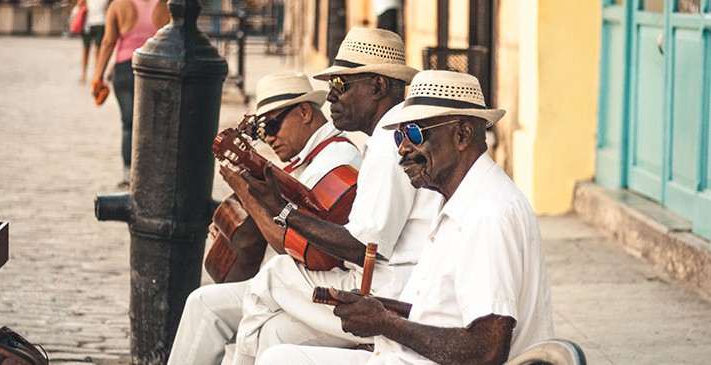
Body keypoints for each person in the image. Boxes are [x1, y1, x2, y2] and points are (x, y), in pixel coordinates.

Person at [256, 70, 555, 365]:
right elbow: (443, 312)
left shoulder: (487, 214)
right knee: (278, 352)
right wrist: (377, 311)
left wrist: (385, 323)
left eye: (415, 133)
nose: (402, 148)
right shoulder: (460, 200)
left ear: (462, 134)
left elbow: (487, 349)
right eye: (400, 135)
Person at [231, 27, 443, 365]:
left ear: (378, 86)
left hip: (390, 294)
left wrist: (284, 211)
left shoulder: (393, 145)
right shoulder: (386, 138)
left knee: (271, 278)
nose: (331, 97)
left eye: (341, 85)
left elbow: (363, 247)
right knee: (274, 333)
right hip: (386, 281)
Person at [166, 72, 363, 365]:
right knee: (202, 303)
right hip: (293, 281)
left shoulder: (336, 161)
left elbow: (291, 244)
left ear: (305, 112)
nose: (268, 138)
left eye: (272, 125)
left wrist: (244, 190)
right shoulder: (303, 160)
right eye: (261, 132)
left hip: (321, 284)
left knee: (210, 309)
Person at [91, 0, 169, 188]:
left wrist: (98, 76)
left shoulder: (118, 5)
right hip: (155, 67)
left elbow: (109, 41)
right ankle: (152, 172)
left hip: (125, 68)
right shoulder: (164, 5)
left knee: (128, 124)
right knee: (155, 123)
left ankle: (128, 174)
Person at [77, 0, 107, 83]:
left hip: (100, 22)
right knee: (86, 50)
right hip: (87, 24)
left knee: (97, 51)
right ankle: (83, 74)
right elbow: (79, 3)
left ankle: (96, 75)